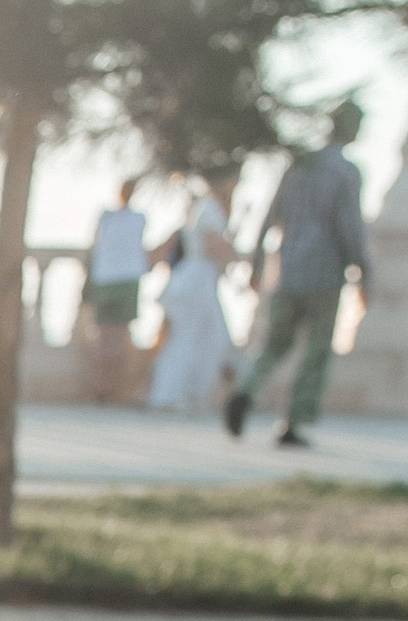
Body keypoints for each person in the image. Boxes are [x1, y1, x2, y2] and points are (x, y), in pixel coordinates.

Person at [227, 103, 371, 450]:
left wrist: (257, 264)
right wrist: (364, 272)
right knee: (316, 349)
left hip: (288, 269)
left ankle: (246, 390)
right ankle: (291, 422)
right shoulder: (345, 172)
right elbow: (350, 228)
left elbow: (268, 214)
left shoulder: (299, 165)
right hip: (324, 273)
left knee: (275, 343)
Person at [146, 173, 239, 414]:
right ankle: (168, 395)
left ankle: (191, 393)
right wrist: (231, 249)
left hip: (200, 280)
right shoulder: (209, 208)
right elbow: (212, 246)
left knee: (213, 338)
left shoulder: (206, 207)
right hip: (195, 281)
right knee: (187, 337)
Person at [84, 181, 150, 401]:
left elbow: (94, 245)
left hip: (107, 279)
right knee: (117, 338)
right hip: (124, 279)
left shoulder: (108, 217)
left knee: (107, 338)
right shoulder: (136, 218)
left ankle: (103, 389)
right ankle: (111, 389)